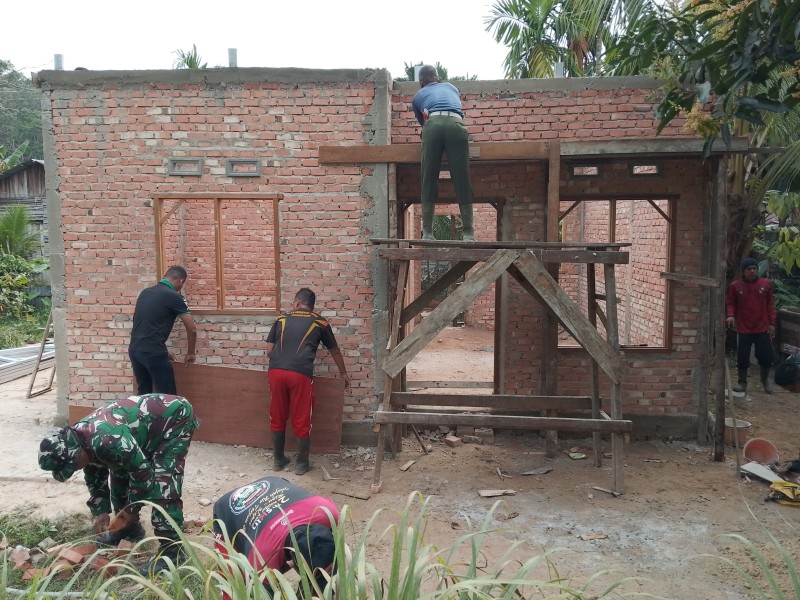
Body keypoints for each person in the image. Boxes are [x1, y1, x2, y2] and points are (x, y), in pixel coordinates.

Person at [37, 393, 198, 575]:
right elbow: (94, 473)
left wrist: (131, 509)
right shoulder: (80, 440)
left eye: (73, 465)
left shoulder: (106, 440)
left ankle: (173, 553)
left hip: (173, 419)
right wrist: (101, 511)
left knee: (163, 484)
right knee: (119, 474)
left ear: (75, 452)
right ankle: (130, 529)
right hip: (140, 430)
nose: (74, 469)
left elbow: (143, 474)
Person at [266, 288, 349, 475]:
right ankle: (301, 464)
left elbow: (269, 351)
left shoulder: (281, 320)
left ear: (296, 302)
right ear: (312, 305)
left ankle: (278, 460)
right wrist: (343, 373)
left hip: (276, 371)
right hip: (300, 373)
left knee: (277, 414)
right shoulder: (320, 322)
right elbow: (334, 351)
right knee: (302, 416)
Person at [212, 476, 338, 597]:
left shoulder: (328, 512)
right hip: (226, 510)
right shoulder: (260, 557)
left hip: (272, 482)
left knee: (320, 584)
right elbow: (265, 594)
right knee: (233, 585)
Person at [412, 64, 475, 241]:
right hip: (457, 125)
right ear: (438, 78)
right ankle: (469, 233)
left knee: (429, 176)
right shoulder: (451, 87)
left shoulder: (418, 96)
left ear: (421, 82)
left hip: (433, 127)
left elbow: (424, 124)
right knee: (462, 176)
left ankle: (428, 233)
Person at [129, 266, 197, 395]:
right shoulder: (175, 297)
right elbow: (192, 329)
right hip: (153, 352)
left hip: (135, 350)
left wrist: (163, 349)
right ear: (181, 281)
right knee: (168, 398)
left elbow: (145, 325)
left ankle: (144, 415)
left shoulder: (145, 293)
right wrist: (190, 353)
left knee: (144, 395)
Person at [726, 257, 776, 393]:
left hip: (762, 327)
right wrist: (730, 315)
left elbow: (770, 305)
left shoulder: (766, 284)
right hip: (744, 329)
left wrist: (772, 323)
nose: (752, 271)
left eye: (754, 268)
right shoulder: (735, 286)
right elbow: (731, 303)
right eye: (749, 269)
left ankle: (765, 380)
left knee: (766, 357)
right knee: (742, 357)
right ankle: (742, 383)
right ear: (743, 271)